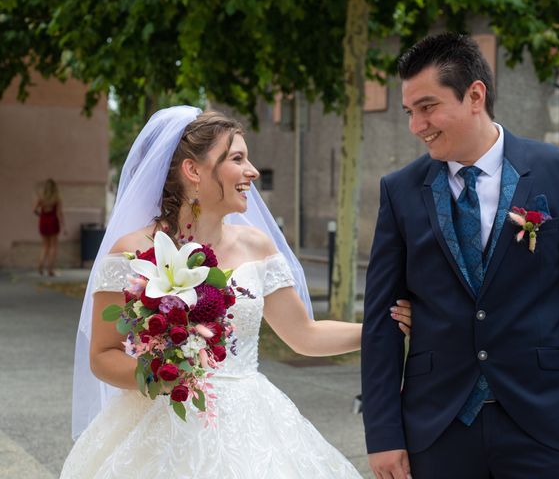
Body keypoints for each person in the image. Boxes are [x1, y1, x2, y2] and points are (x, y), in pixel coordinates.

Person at [61, 106, 413, 478]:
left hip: (250, 420)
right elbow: (103, 355)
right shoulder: (131, 252)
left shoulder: (257, 247)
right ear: (193, 171)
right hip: (160, 419)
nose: (253, 171)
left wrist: (381, 328)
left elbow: (304, 335)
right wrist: (161, 377)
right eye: (237, 158)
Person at [361, 33, 559, 479]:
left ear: (475, 95)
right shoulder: (399, 190)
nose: (416, 125)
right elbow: (381, 320)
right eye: (410, 112)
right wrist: (382, 433)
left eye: (427, 107)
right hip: (437, 426)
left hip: (544, 423)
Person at [34, 178, 65, 276]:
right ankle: (50, 270)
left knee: (44, 246)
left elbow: (34, 209)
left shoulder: (41, 197)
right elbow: (59, 213)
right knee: (53, 246)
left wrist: (41, 215)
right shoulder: (57, 198)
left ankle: (40, 266)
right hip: (53, 221)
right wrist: (64, 226)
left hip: (43, 220)